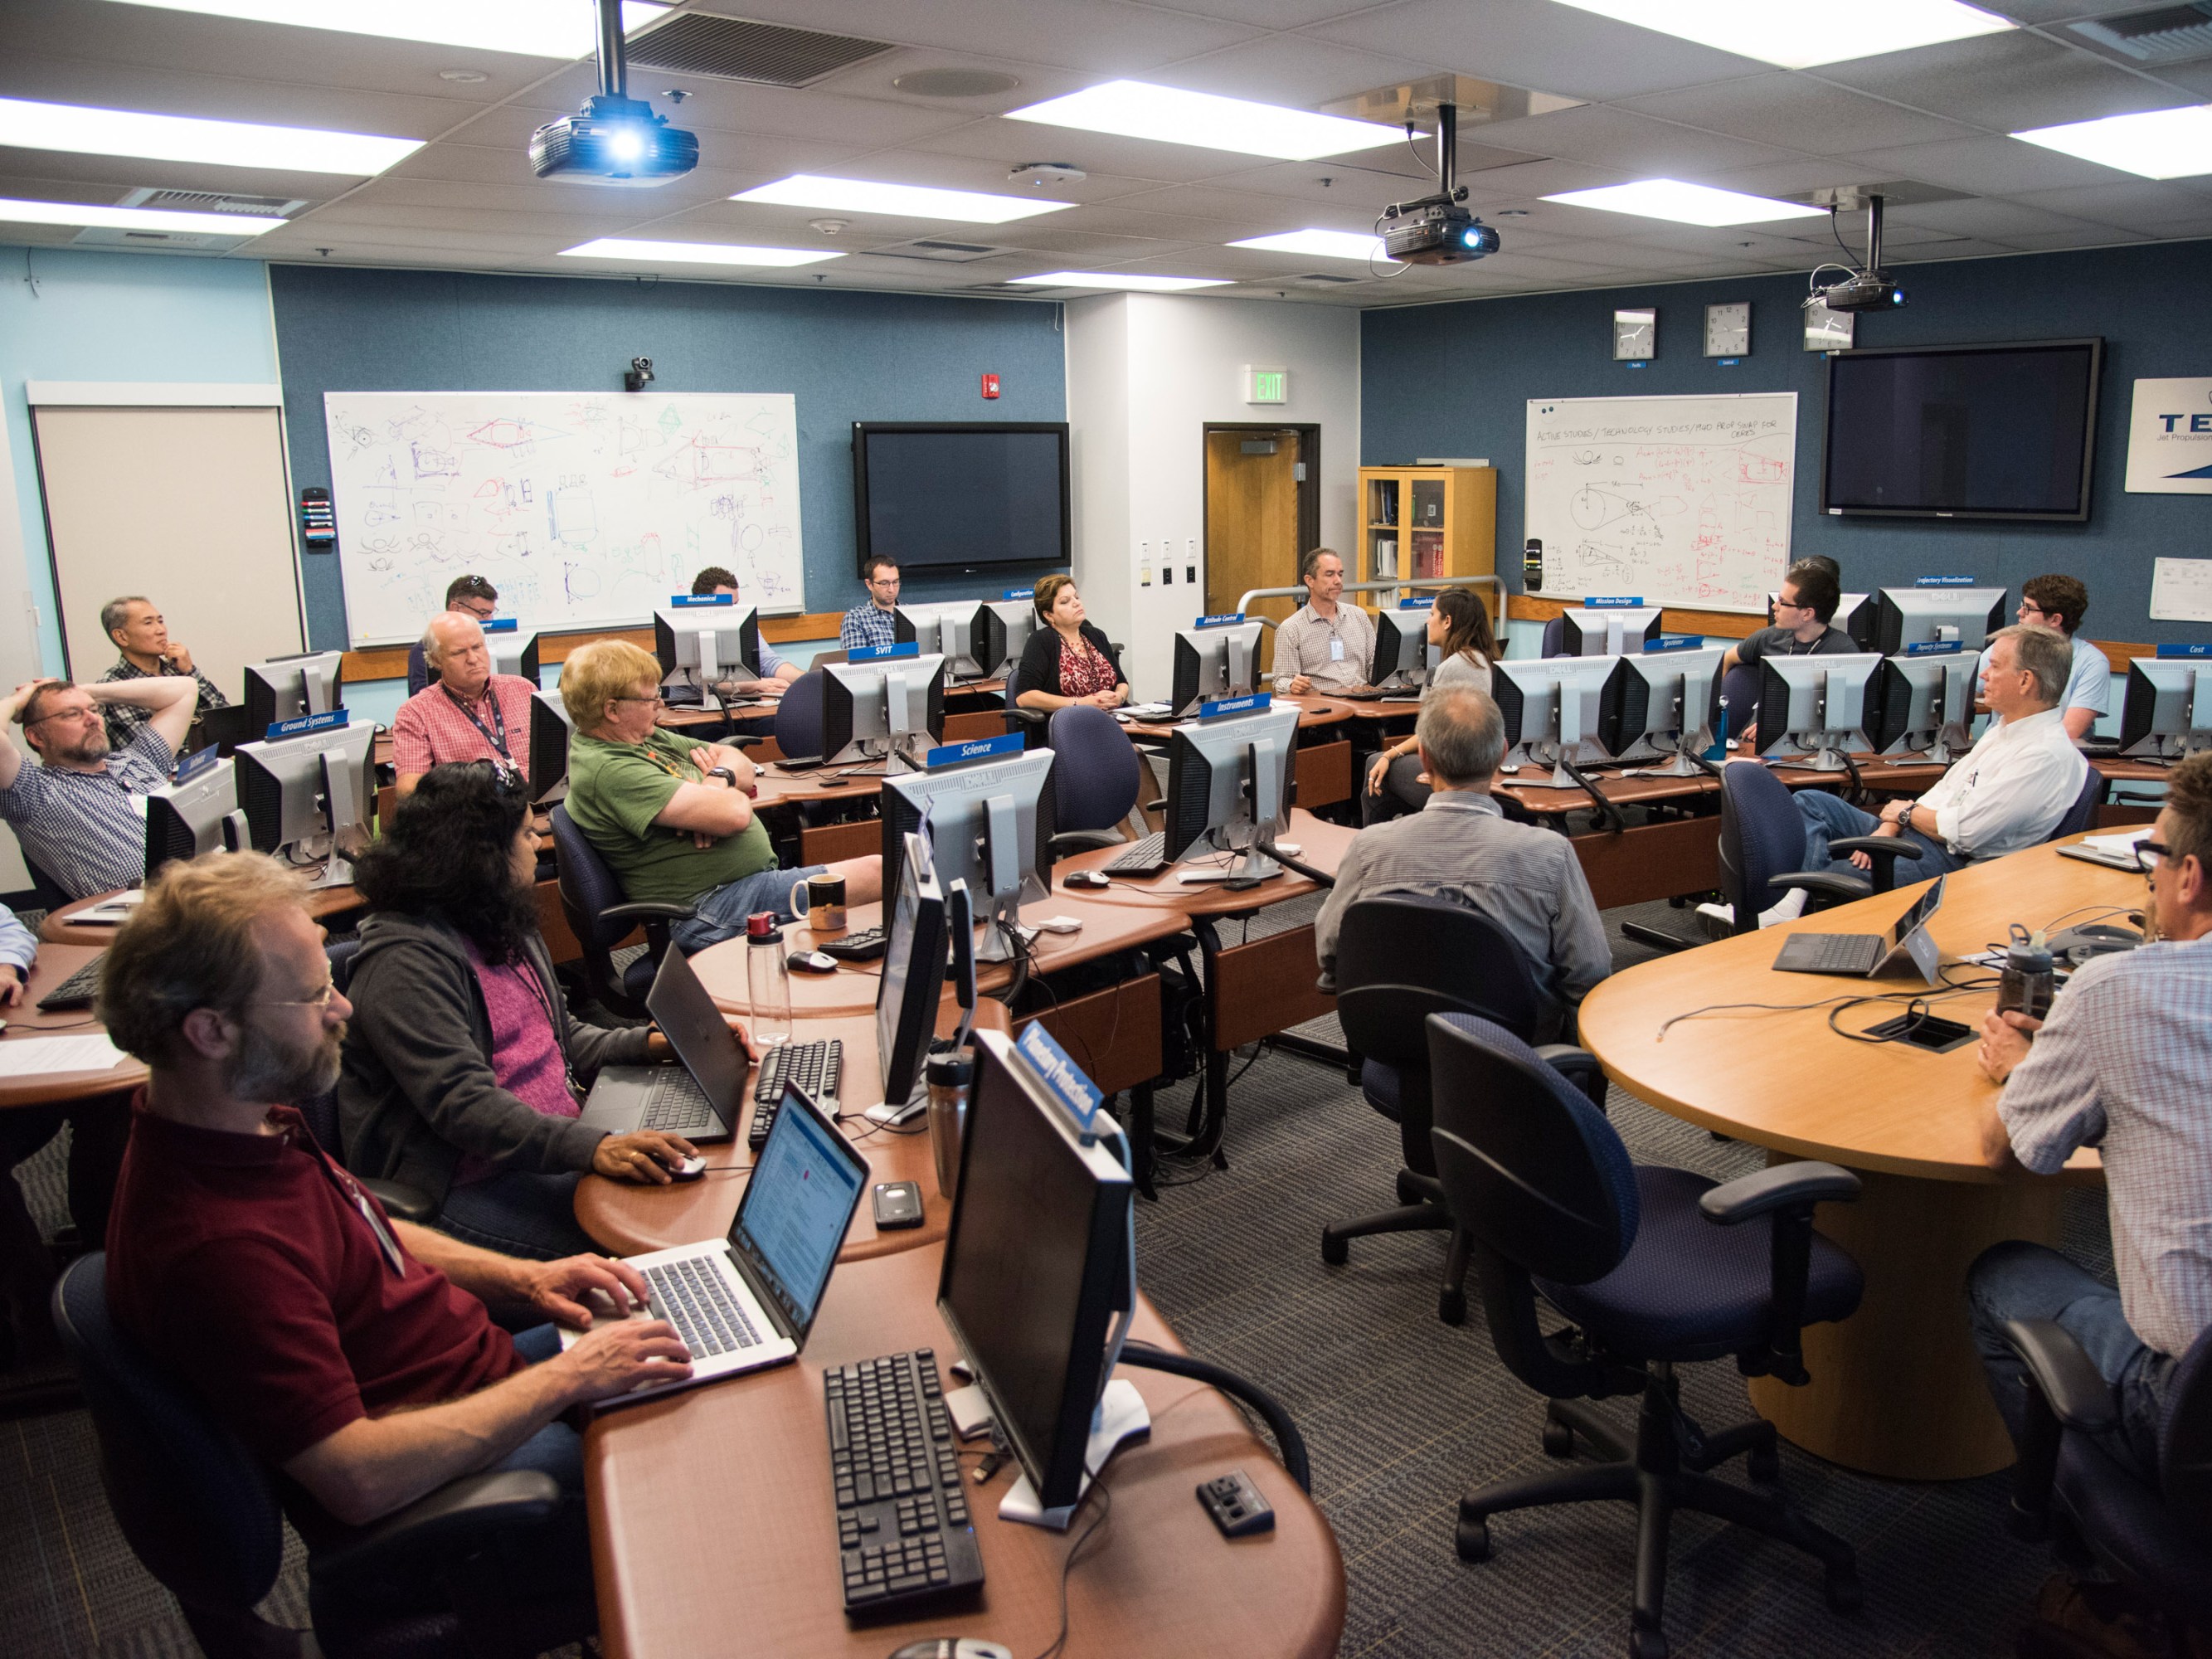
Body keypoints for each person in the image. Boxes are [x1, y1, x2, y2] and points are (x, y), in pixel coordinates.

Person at [98, 853, 689, 1640]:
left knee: (689, 1327)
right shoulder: (214, 1244)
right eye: (313, 995)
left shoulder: (236, 1120)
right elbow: (355, 1477)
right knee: (717, 1471)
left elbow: (358, 1219)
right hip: (456, 1501)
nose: (343, 1006)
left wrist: (526, 1277)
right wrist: (569, 1379)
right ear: (211, 1031)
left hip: (481, 1380)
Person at [342, 765, 730, 1258]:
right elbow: (465, 1106)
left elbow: (554, 1034)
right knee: (654, 1246)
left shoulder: (496, 917)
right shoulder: (403, 963)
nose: (539, 843)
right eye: (525, 834)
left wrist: (647, 1043)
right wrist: (592, 1147)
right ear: (481, 858)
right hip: (467, 1179)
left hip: (553, 1141)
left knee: (707, 1182)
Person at [1966, 747, 2212, 1487]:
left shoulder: (2115, 991)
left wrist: (2023, 1071)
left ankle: (2089, 1558)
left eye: (2154, 856)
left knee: (2002, 1276)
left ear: (2190, 876)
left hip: (2191, 1401)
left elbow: (2004, 1153)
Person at [1316, 684, 1610, 1042]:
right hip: (1520, 1061)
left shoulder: (1369, 849)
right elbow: (1589, 974)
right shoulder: (1551, 854)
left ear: (1423, 758)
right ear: (1502, 754)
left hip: (1405, 1053)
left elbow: (1330, 950)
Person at [560, 639, 881, 951]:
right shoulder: (610, 768)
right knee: (877, 874)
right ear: (612, 710)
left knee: (875, 880)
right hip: (708, 910)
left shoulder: (644, 738)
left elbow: (739, 761)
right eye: (649, 698)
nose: (660, 704)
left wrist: (714, 782)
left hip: (741, 890)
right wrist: (723, 798)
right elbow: (736, 815)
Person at [1788, 625, 2088, 889]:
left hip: (1952, 864)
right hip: (1919, 834)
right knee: (1810, 802)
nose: (1984, 675)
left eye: (1995, 666)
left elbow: (1966, 832)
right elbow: (1945, 791)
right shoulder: (2007, 729)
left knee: (1829, 874)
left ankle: (1798, 896)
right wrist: (1892, 825)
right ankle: (1802, 892)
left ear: (2025, 681)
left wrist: (1902, 814)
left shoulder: (2043, 754)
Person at [0, 674, 197, 899]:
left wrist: (83, 691)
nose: (92, 719)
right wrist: (18, 700)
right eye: (73, 714)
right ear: (37, 736)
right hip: (157, 914)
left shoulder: (138, 760)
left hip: (204, 888)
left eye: (94, 710)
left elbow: (185, 690)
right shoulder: (33, 793)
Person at [1363, 588, 1500, 824]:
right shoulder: (1484, 658)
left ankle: (1374, 845)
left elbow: (1429, 735)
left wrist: (1390, 754)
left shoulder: (1455, 666)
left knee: (1375, 765)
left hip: (1454, 772)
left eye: (1432, 614)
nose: (1427, 621)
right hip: (1478, 764)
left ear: (1447, 621)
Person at [391, 612, 539, 796]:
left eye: (477, 647)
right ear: (436, 660)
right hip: (473, 817)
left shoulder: (523, 689)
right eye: (459, 652)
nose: (472, 658)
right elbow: (408, 790)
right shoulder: (415, 712)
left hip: (538, 806)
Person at [1721, 561, 1855, 748]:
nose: (1775, 607)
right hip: (1753, 744)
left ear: (1807, 614)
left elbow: (1844, 716)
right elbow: (1728, 659)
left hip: (1810, 749)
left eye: (1782, 602)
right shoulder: (1769, 637)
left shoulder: (1842, 652)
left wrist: (1779, 727)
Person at [1976, 574, 2108, 741]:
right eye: (2022, 605)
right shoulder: (2004, 647)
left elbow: (2069, 732)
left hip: (2050, 754)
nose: (2019, 612)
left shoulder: (2092, 663)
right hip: (1998, 746)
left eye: (2028, 608)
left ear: (2055, 619)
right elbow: (1966, 696)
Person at [95, 595, 231, 751]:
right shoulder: (113, 687)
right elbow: (156, 750)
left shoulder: (177, 670)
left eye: (160, 621)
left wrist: (190, 671)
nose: (161, 630)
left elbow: (226, 723)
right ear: (122, 637)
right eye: (148, 623)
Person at [1011, 575, 1129, 713]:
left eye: (1076, 597)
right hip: (1070, 726)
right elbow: (1025, 697)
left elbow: (1122, 682)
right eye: (1065, 602)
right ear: (1049, 615)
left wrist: (1119, 697)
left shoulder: (1096, 635)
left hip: (1114, 718)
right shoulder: (1041, 641)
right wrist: (1082, 703)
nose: (1076, 603)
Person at [1273, 548, 1375, 697]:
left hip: (1363, 701)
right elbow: (1280, 681)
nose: (1338, 581)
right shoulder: (1291, 628)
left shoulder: (1359, 616)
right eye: (1330, 574)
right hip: (1324, 706)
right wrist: (1292, 684)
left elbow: (1374, 668)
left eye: (1340, 574)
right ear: (1310, 581)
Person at [689, 567, 800, 698]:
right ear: (704, 604)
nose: (734, 611)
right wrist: (756, 684)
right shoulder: (684, 633)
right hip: (692, 710)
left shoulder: (744, 627)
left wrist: (806, 678)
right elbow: (705, 683)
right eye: (727, 606)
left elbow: (770, 663)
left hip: (742, 706)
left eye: (735, 604)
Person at [407, 573, 498, 696]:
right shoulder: (425, 649)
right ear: (456, 608)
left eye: (491, 613)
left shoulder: (493, 640)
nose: (489, 620)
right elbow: (421, 700)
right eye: (483, 613)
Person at [840, 557, 902, 652]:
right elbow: (858, 663)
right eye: (884, 583)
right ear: (869, 584)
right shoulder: (856, 619)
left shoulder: (912, 614)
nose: (891, 589)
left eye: (895, 582)